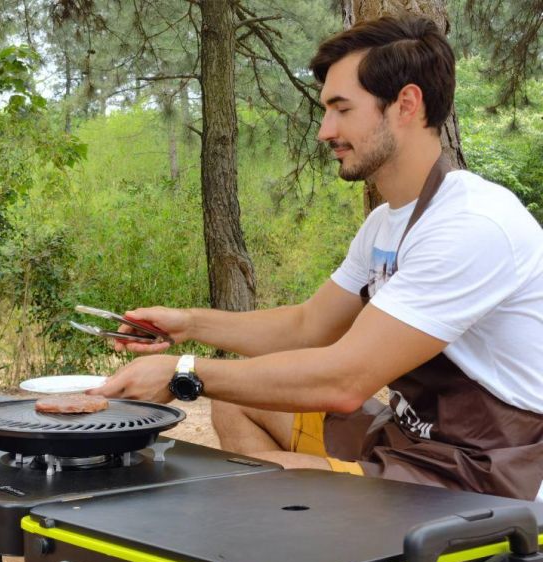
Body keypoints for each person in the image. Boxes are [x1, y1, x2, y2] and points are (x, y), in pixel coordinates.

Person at [89, 15, 543, 501]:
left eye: (342, 109)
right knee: (236, 408)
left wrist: (185, 374)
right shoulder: (386, 223)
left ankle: (308, 553)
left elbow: (344, 380)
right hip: (407, 439)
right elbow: (307, 326)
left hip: (481, 475)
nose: (325, 130)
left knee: (254, 483)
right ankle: (308, 549)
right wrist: (186, 325)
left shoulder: (471, 224)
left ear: (406, 104)